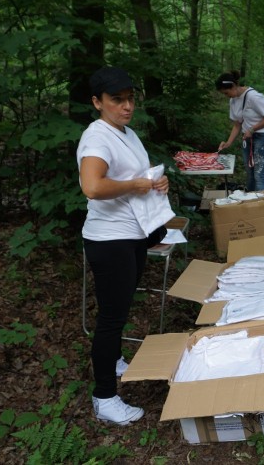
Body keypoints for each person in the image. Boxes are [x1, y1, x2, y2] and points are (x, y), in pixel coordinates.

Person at [77, 66, 171, 425]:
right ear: (97, 102)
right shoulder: (97, 138)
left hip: (132, 233)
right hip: (109, 238)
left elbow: (137, 176)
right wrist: (134, 185)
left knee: (121, 305)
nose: (127, 106)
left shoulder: (126, 133)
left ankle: (114, 358)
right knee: (111, 318)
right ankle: (104, 397)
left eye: (130, 98)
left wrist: (154, 182)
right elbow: (93, 187)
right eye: (117, 100)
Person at [216, 70, 264, 191]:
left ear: (233, 86)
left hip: (263, 137)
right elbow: (237, 124)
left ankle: (260, 205)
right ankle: (249, 202)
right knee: (250, 172)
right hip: (247, 137)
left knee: (259, 174)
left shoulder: (253, 97)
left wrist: (252, 129)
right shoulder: (233, 100)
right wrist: (228, 142)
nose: (226, 96)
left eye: (226, 93)